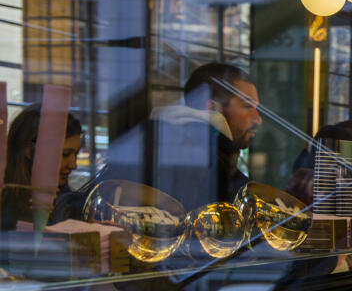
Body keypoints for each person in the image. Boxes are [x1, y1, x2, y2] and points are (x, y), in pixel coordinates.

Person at [95, 63, 262, 212]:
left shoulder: (154, 142)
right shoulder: (196, 157)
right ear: (211, 107)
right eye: (247, 106)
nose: (258, 119)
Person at [2, 104, 82, 230]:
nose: (74, 165)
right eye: (65, 154)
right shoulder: (6, 209)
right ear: (29, 150)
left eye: (76, 154)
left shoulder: (67, 203)